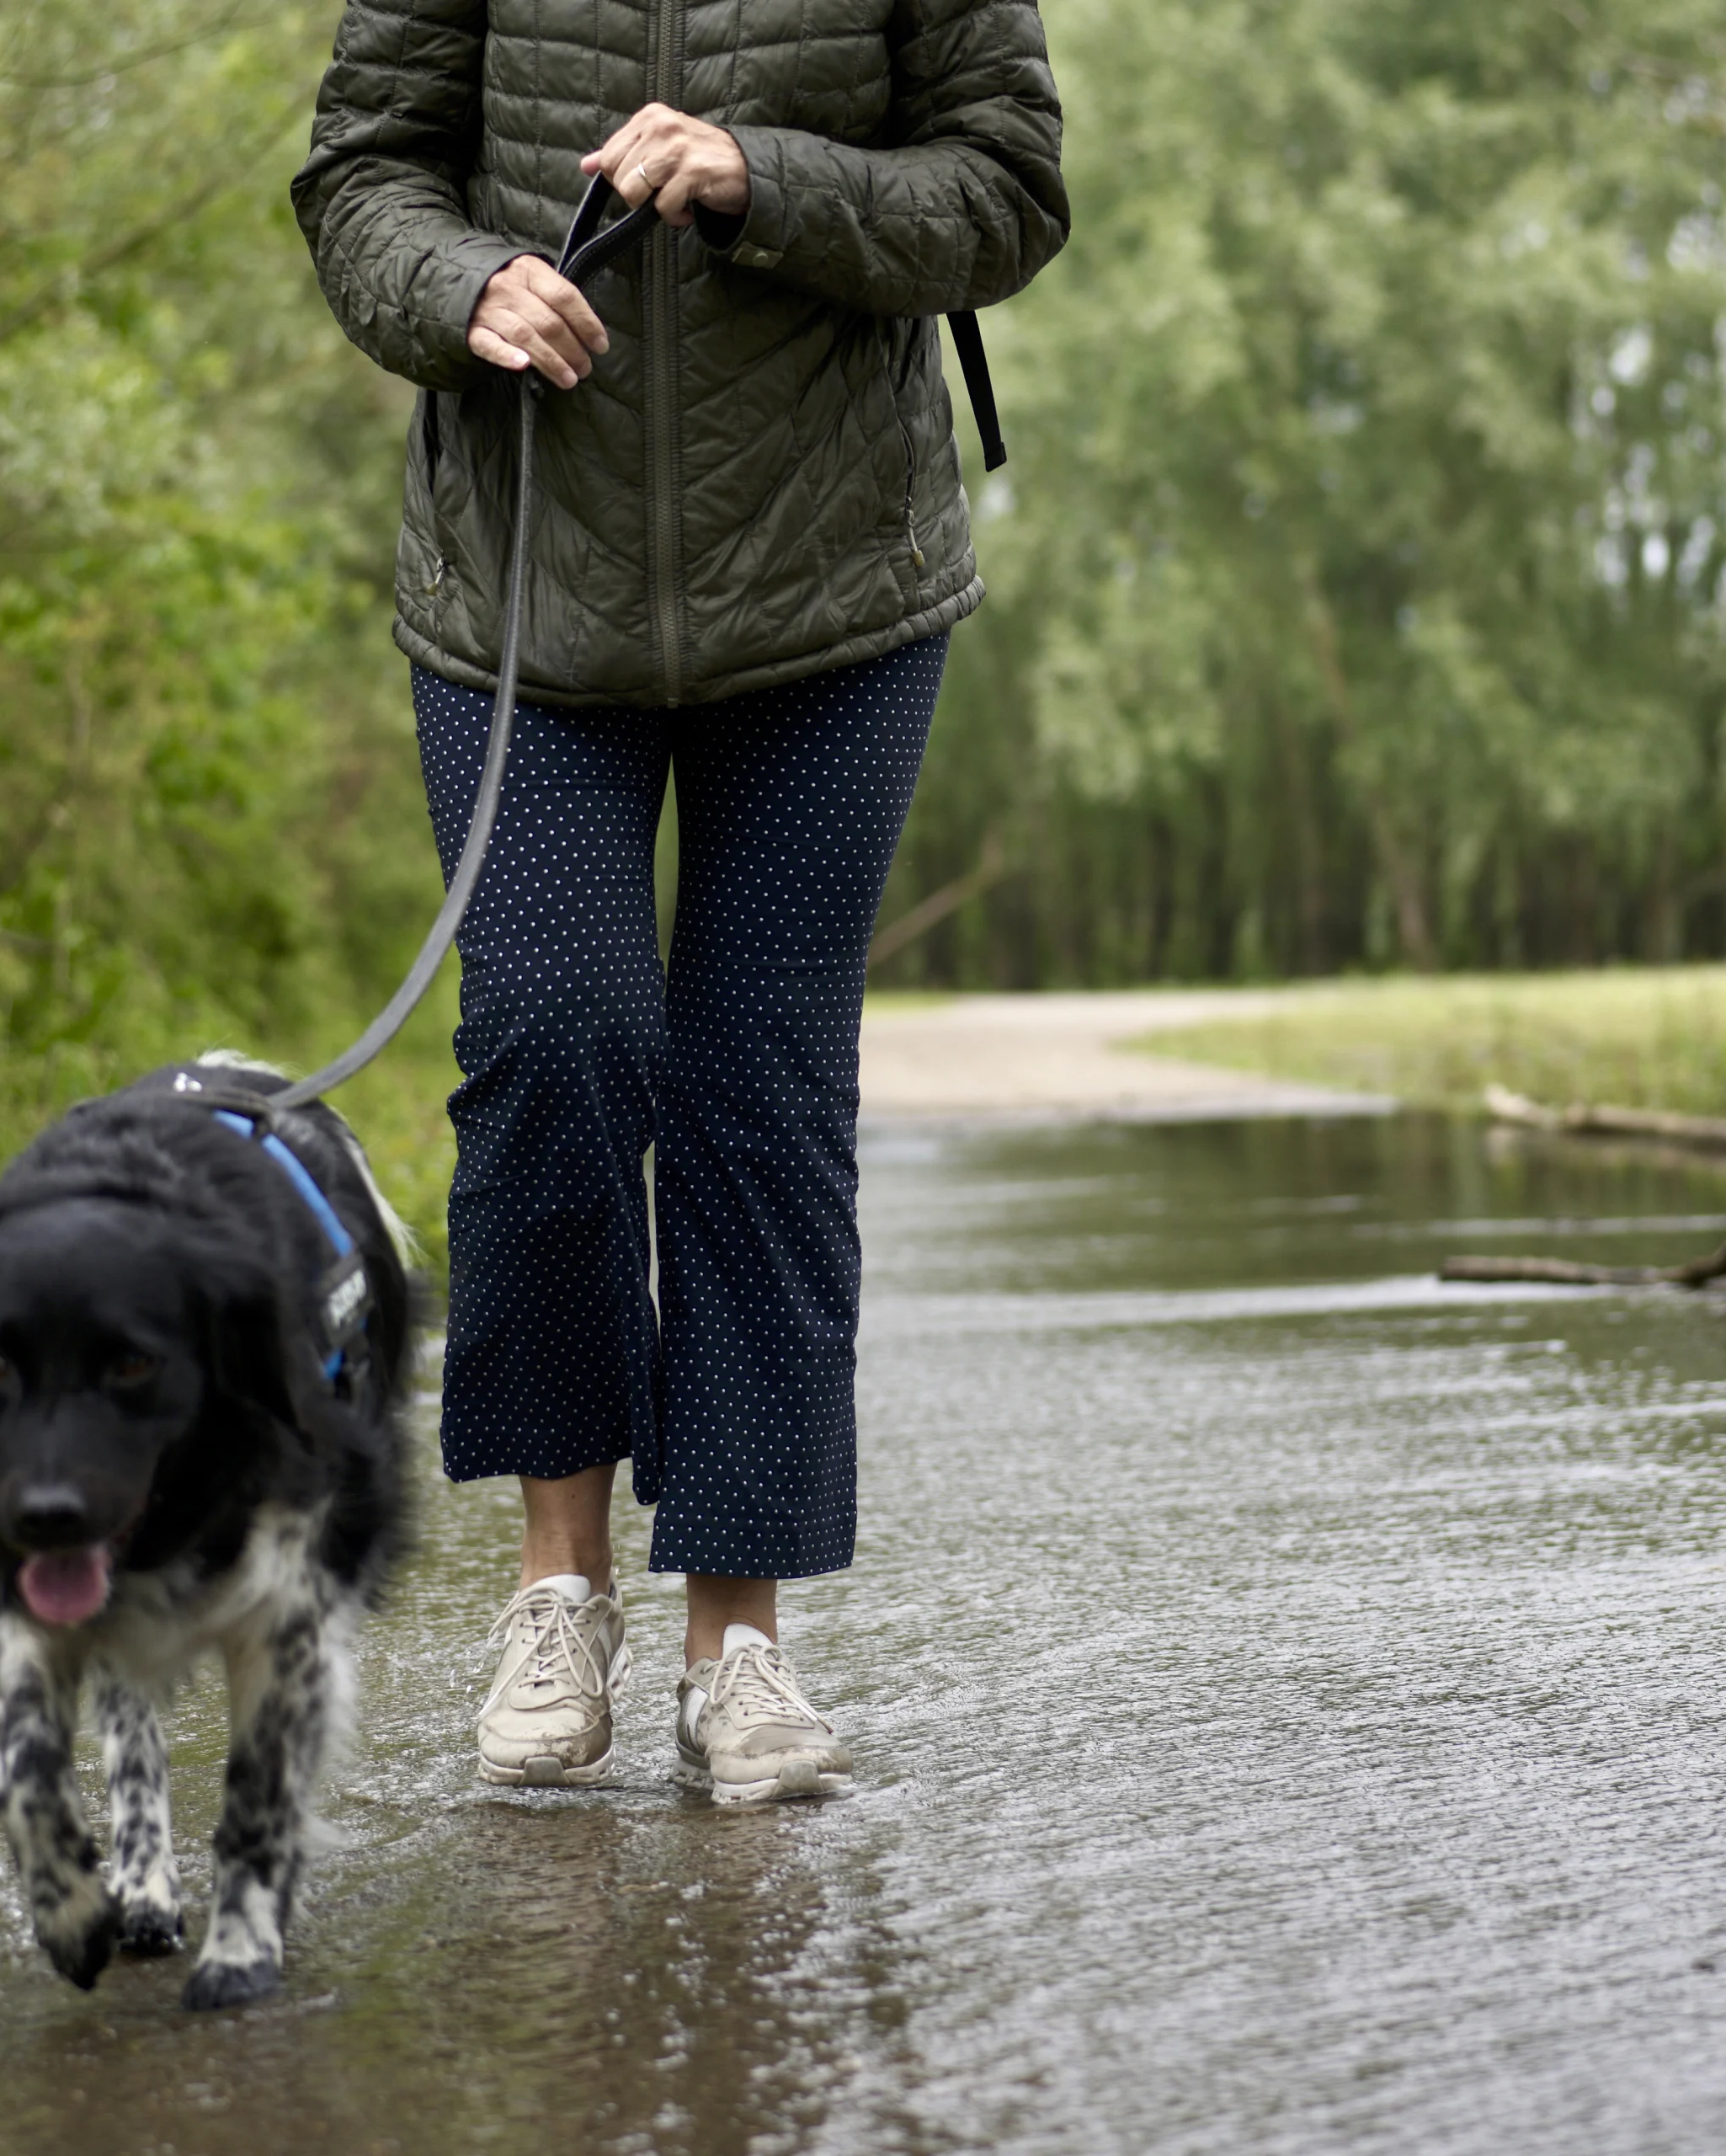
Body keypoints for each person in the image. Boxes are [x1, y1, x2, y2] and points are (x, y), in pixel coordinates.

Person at [293, 0, 1068, 1802]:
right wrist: (461, 283)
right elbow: (359, 174)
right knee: (556, 1041)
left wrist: (760, 179)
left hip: (831, 594)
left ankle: (742, 1645)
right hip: (523, 587)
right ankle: (556, 1590)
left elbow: (1008, 188)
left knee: (762, 1090)